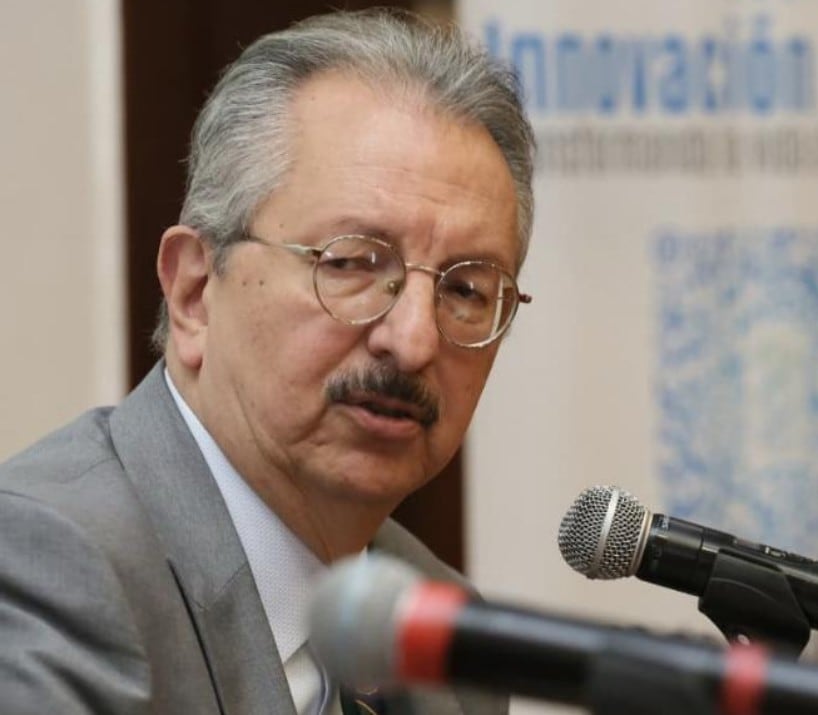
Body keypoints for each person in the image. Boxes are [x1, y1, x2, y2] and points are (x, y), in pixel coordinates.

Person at [0, 8, 533, 715]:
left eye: (466, 289)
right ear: (193, 290)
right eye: (353, 263)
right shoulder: (49, 566)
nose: (412, 341)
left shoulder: (440, 622)